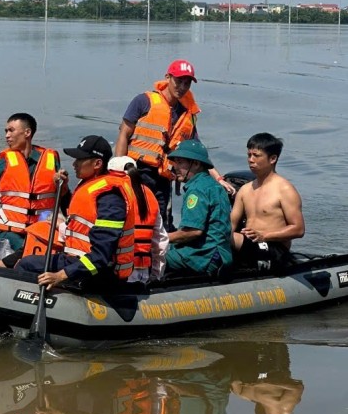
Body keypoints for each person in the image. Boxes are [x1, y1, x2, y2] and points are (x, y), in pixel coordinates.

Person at [115, 60, 235, 229]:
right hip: (136, 171)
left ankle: (158, 254)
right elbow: (123, 134)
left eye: (187, 83)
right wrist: (118, 171)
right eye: (178, 81)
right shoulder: (143, 101)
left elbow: (198, 152)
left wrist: (219, 179)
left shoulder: (187, 115)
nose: (182, 87)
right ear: (167, 77)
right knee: (131, 217)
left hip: (164, 177)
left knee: (161, 222)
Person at [15, 135, 136, 290]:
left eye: (80, 159)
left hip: (97, 272)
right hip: (77, 260)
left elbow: (102, 256)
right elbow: (77, 219)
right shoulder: (91, 185)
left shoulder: (110, 199)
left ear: (97, 163)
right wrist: (64, 192)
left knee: (27, 265)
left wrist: (61, 275)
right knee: (27, 260)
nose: (74, 163)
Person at [0, 112, 68, 252]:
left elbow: (63, 198)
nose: (7, 135)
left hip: (41, 231)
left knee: (48, 252)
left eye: (11, 130)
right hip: (10, 233)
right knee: (26, 251)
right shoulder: (3, 162)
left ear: (27, 132)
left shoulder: (51, 160)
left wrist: (62, 184)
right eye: (6, 131)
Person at [231, 133, 304, 272]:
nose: (250, 160)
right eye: (249, 155)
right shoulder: (245, 190)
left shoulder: (285, 190)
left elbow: (298, 229)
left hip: (274, 249)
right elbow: (231, 224)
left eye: (256, 156)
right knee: (218, 233)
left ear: (272, 159)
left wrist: (264, 235)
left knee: (229, 238)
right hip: (248, 245)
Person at [165, 140, 233, 277]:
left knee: (148, 257)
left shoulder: (197, 190)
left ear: (196, 164)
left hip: (203, 256)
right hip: (217, 253)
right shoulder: (211, 184)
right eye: (175, 162)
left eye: (180, 162)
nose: (175, 167)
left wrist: (159, 239)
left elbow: (193, 232)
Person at [107, 156, 169, 283]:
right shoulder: (149, 195)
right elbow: (161, 241)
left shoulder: (113, 194)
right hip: (143, 271)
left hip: (119, 271)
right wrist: (157, 274)